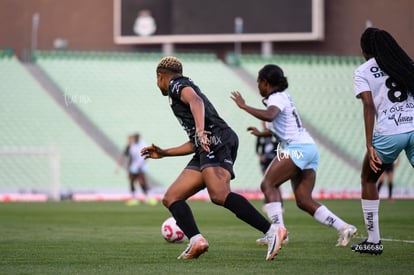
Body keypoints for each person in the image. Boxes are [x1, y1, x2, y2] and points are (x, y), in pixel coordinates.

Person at [141, 56, 283, 261]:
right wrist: (165, 153)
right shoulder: (181, 87)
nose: (158, 84)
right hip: (209, 143)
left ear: (160, 76)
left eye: (157, 80)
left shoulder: (175, 84)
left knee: (219, 194)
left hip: (217, 140)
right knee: (172, 197)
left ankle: (272, 231)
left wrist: (200, 131)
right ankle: (196, 240)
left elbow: (196, 102)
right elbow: (195, 142)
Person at [231, 64, 357, 255]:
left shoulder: (276, 97)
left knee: (268, 184)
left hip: (298, 148)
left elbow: (270, 115)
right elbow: (283, 126)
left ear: (265, 82)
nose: (258, 86)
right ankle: (344, 227)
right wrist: (262, 134)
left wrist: (243, 106)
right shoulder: (282, 97)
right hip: (308, 148)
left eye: (259, 82)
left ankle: (278, 232)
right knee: (304, 200)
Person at [351, 27, 414, 255]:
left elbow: (368, 105)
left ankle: (374, 240)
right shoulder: (405, 64)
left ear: (366, 49)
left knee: (368, 179)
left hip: (390, 131)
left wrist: (369, 143)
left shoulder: (363, 71)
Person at [117, 133, 149, 205]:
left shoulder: (142, 145)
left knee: (142, 182)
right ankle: (134, 197)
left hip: (140, 167)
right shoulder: (131, 146)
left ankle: (146, 197)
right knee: (132, 182)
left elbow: (144, 157)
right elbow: (126, 155)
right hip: (133, 167)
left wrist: (140, 166)